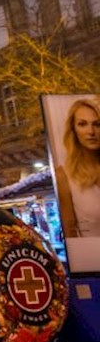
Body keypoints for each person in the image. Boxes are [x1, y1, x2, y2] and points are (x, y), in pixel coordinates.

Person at [55, 97, 100, 238]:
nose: (91, 131)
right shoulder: (64, 176)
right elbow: (71, 236)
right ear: (73, 130)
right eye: (82, 124)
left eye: (97, 124)